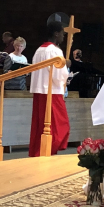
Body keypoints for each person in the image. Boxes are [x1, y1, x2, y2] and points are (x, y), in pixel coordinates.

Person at [29, 16, 71, 156]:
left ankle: (40, 151)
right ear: (56, 33)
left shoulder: (39, 50)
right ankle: (48, 151)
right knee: (60, 125)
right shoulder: (55, 51)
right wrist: (67, 66)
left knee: (41, 125)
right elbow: (59, 76)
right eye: (63, 34)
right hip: (51, 91)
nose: (63, 37)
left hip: (39, 91)